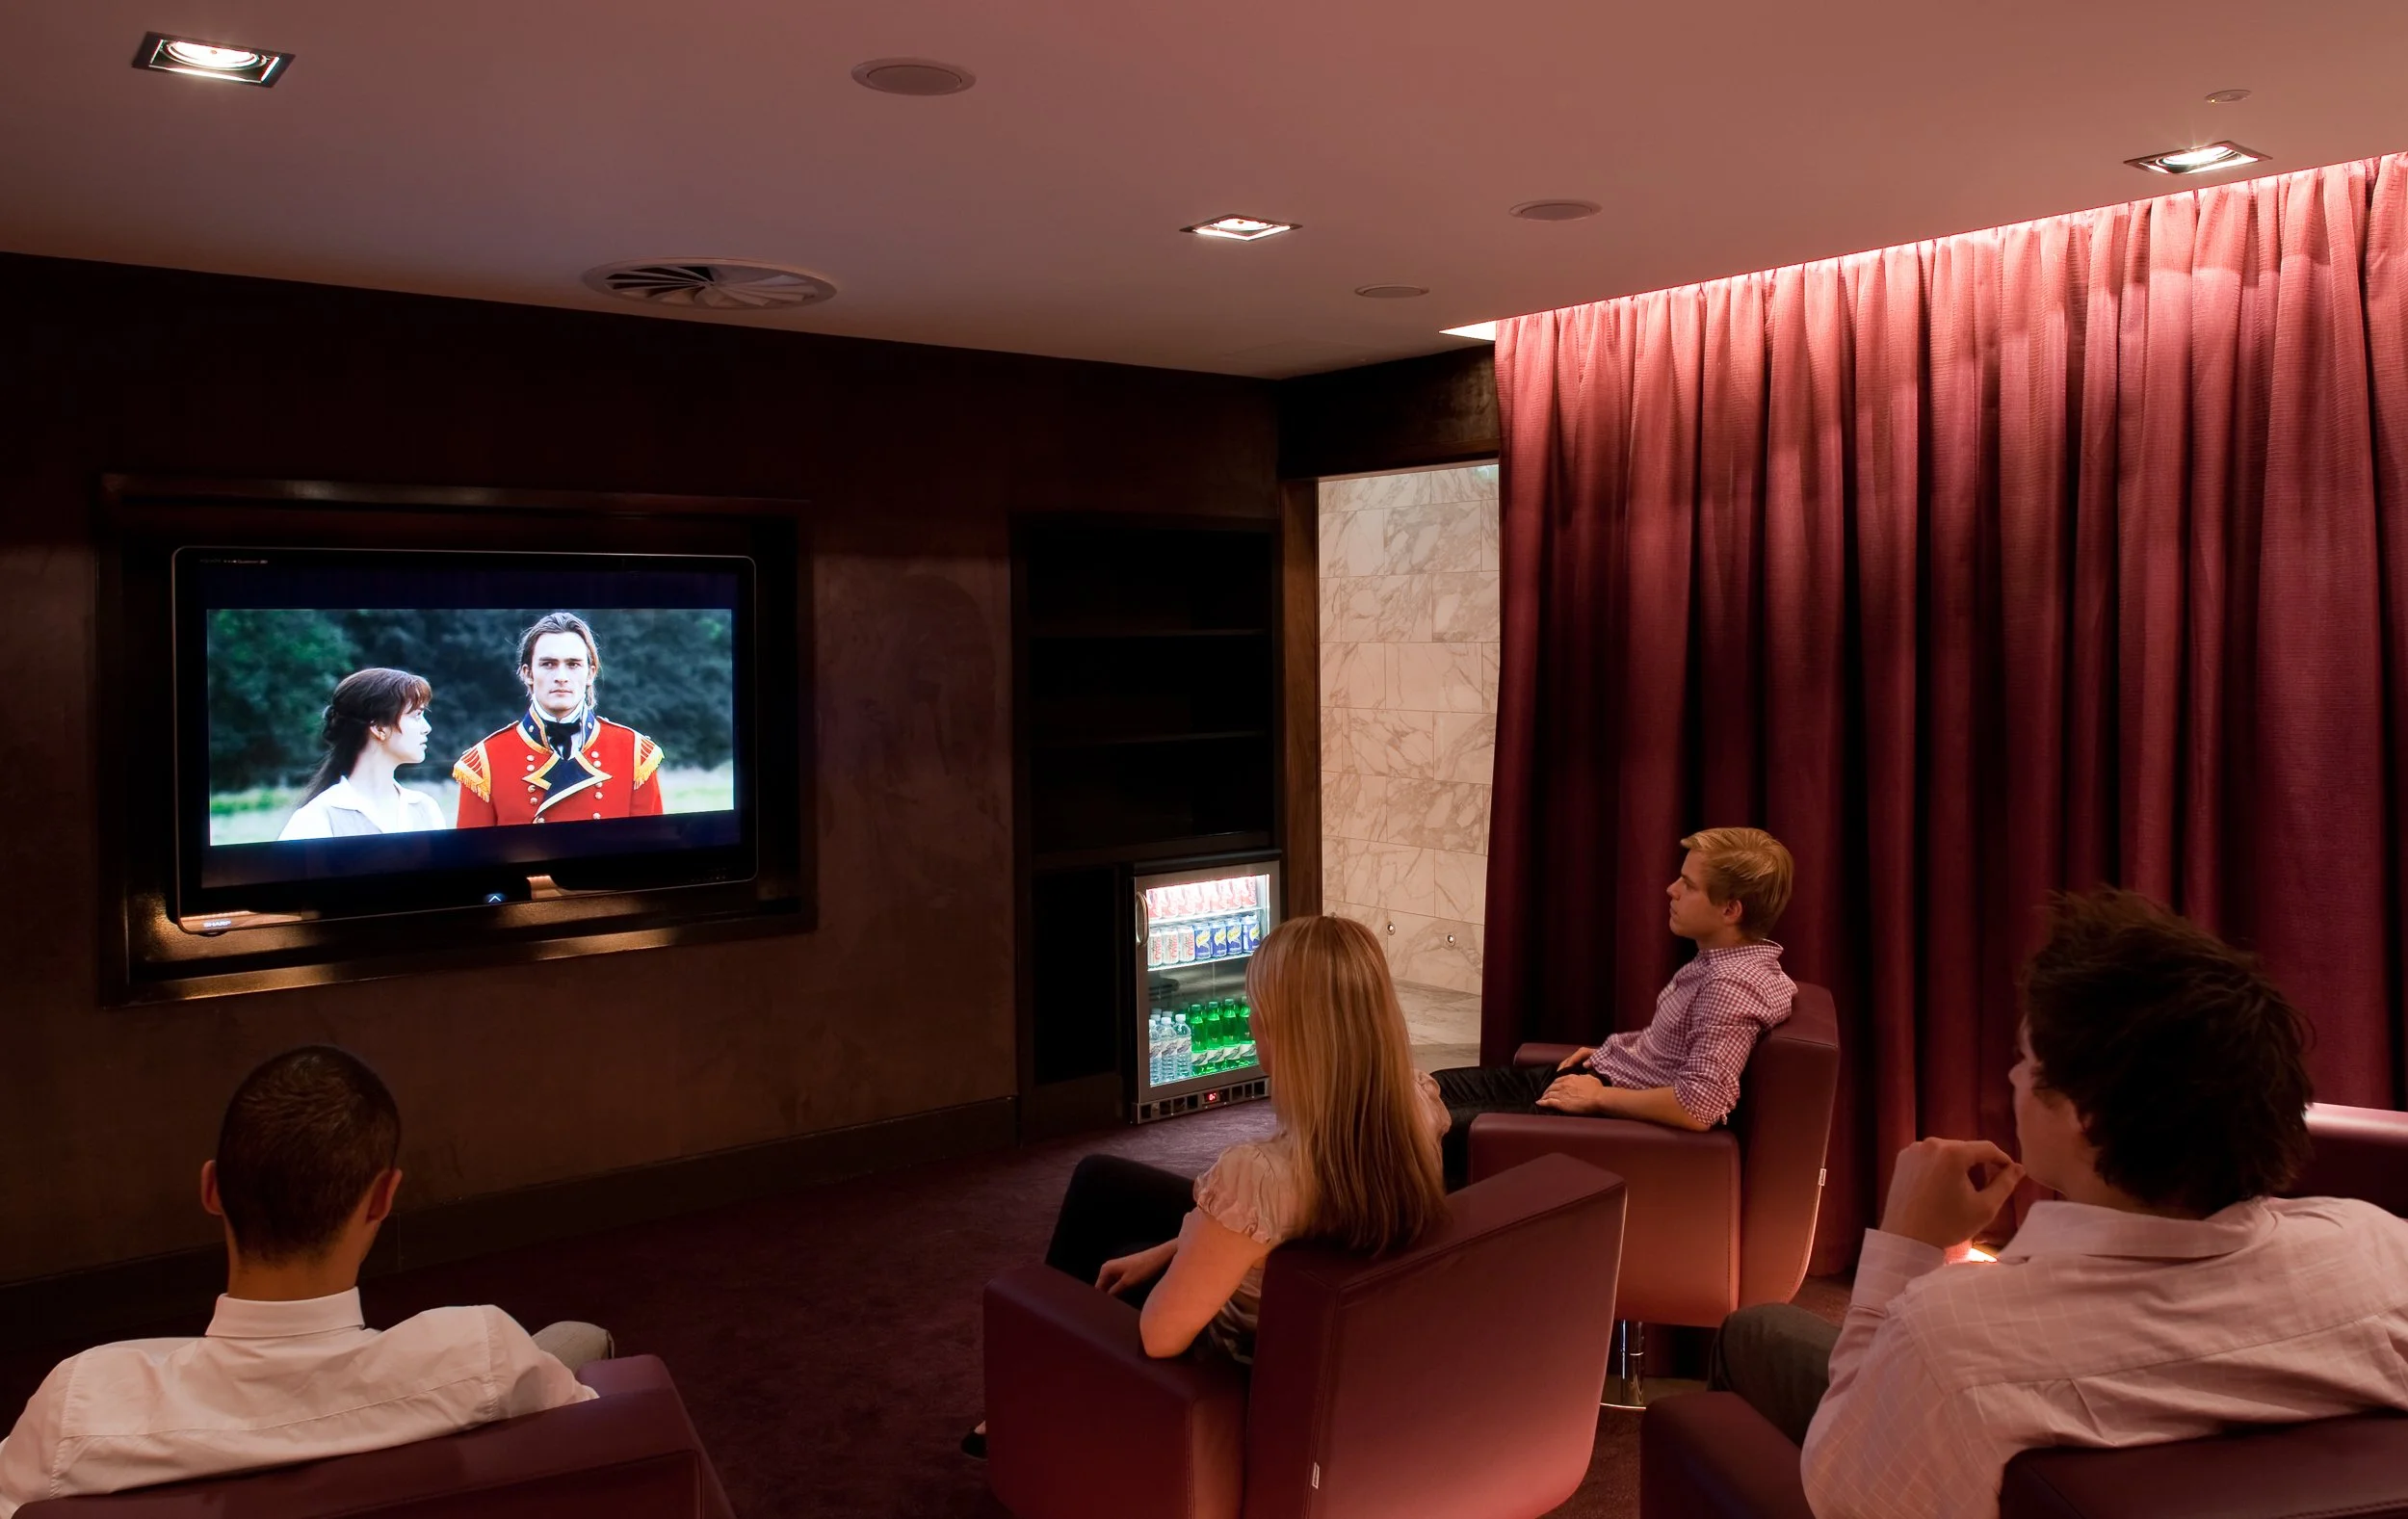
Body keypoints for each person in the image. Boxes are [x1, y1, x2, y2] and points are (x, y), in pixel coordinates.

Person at [1708, 889, 2408, 1519]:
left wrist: (1904, 1248)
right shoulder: (2384, 1251)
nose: (2012, 1075)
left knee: (1754, 1332)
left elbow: (1844, 1492)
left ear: (2087, 1120)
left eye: (2027, 1059)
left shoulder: (1951, 1338)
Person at [0, 1048, 611, 1513]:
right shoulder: (481, 1353)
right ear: (382, 1199)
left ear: (212, 1190)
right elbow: (601, 1452)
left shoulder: (79, 1406)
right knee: (578, 1339)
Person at [964, 913, 1450, 1456]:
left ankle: (1032, 1394)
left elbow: (1160, 1336)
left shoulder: (1258, 1176)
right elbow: (1283, 1223)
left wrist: (1186, 1257)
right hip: (1319, 1325)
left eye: (1257, 1014)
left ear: (1286, 1032)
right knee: (1102, 1180)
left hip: (1233, 1370)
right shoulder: (1416, 1106)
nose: (1251, 1026)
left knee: (1104, 1255)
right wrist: (1173, 1247)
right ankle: (1036, 1386)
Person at [1428, 826, 1796, 1188]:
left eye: (1689, 885)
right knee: (1431, 1089)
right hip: (1597, 1077)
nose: (1672, 890)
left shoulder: (1732, 985)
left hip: (1602, 1110)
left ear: (1731, 909)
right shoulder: (1728, 963)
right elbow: (1685, 1041)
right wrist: (1623, 1050)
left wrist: (1599, 1097)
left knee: (1416, 1131)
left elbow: (1699, 1105)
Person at [452, 612, 666, 827]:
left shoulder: (634, 753)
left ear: (590, 674)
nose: (561, 676)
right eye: (548, 664)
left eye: (573, 664)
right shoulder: (484, 762)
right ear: (527, 673)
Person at [275, 668, 447, 839]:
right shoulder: (318, 816)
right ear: (379, 727)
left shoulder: (424, 808)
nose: (427, 728)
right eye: (416, 715)